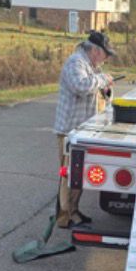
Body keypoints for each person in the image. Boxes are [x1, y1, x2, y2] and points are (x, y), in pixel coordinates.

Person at [53, 28, 115, 228]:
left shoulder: (91, 66)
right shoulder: (76, 62)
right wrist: (103, 79)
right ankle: (64, 216)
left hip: (83, 131)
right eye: (105, 54)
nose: (106, 59)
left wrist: (106, 90)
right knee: (69, 175)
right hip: (69, 131)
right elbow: (81, 86)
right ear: (96, 50)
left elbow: (97, 91)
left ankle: (74, 210)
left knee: (78, 175)